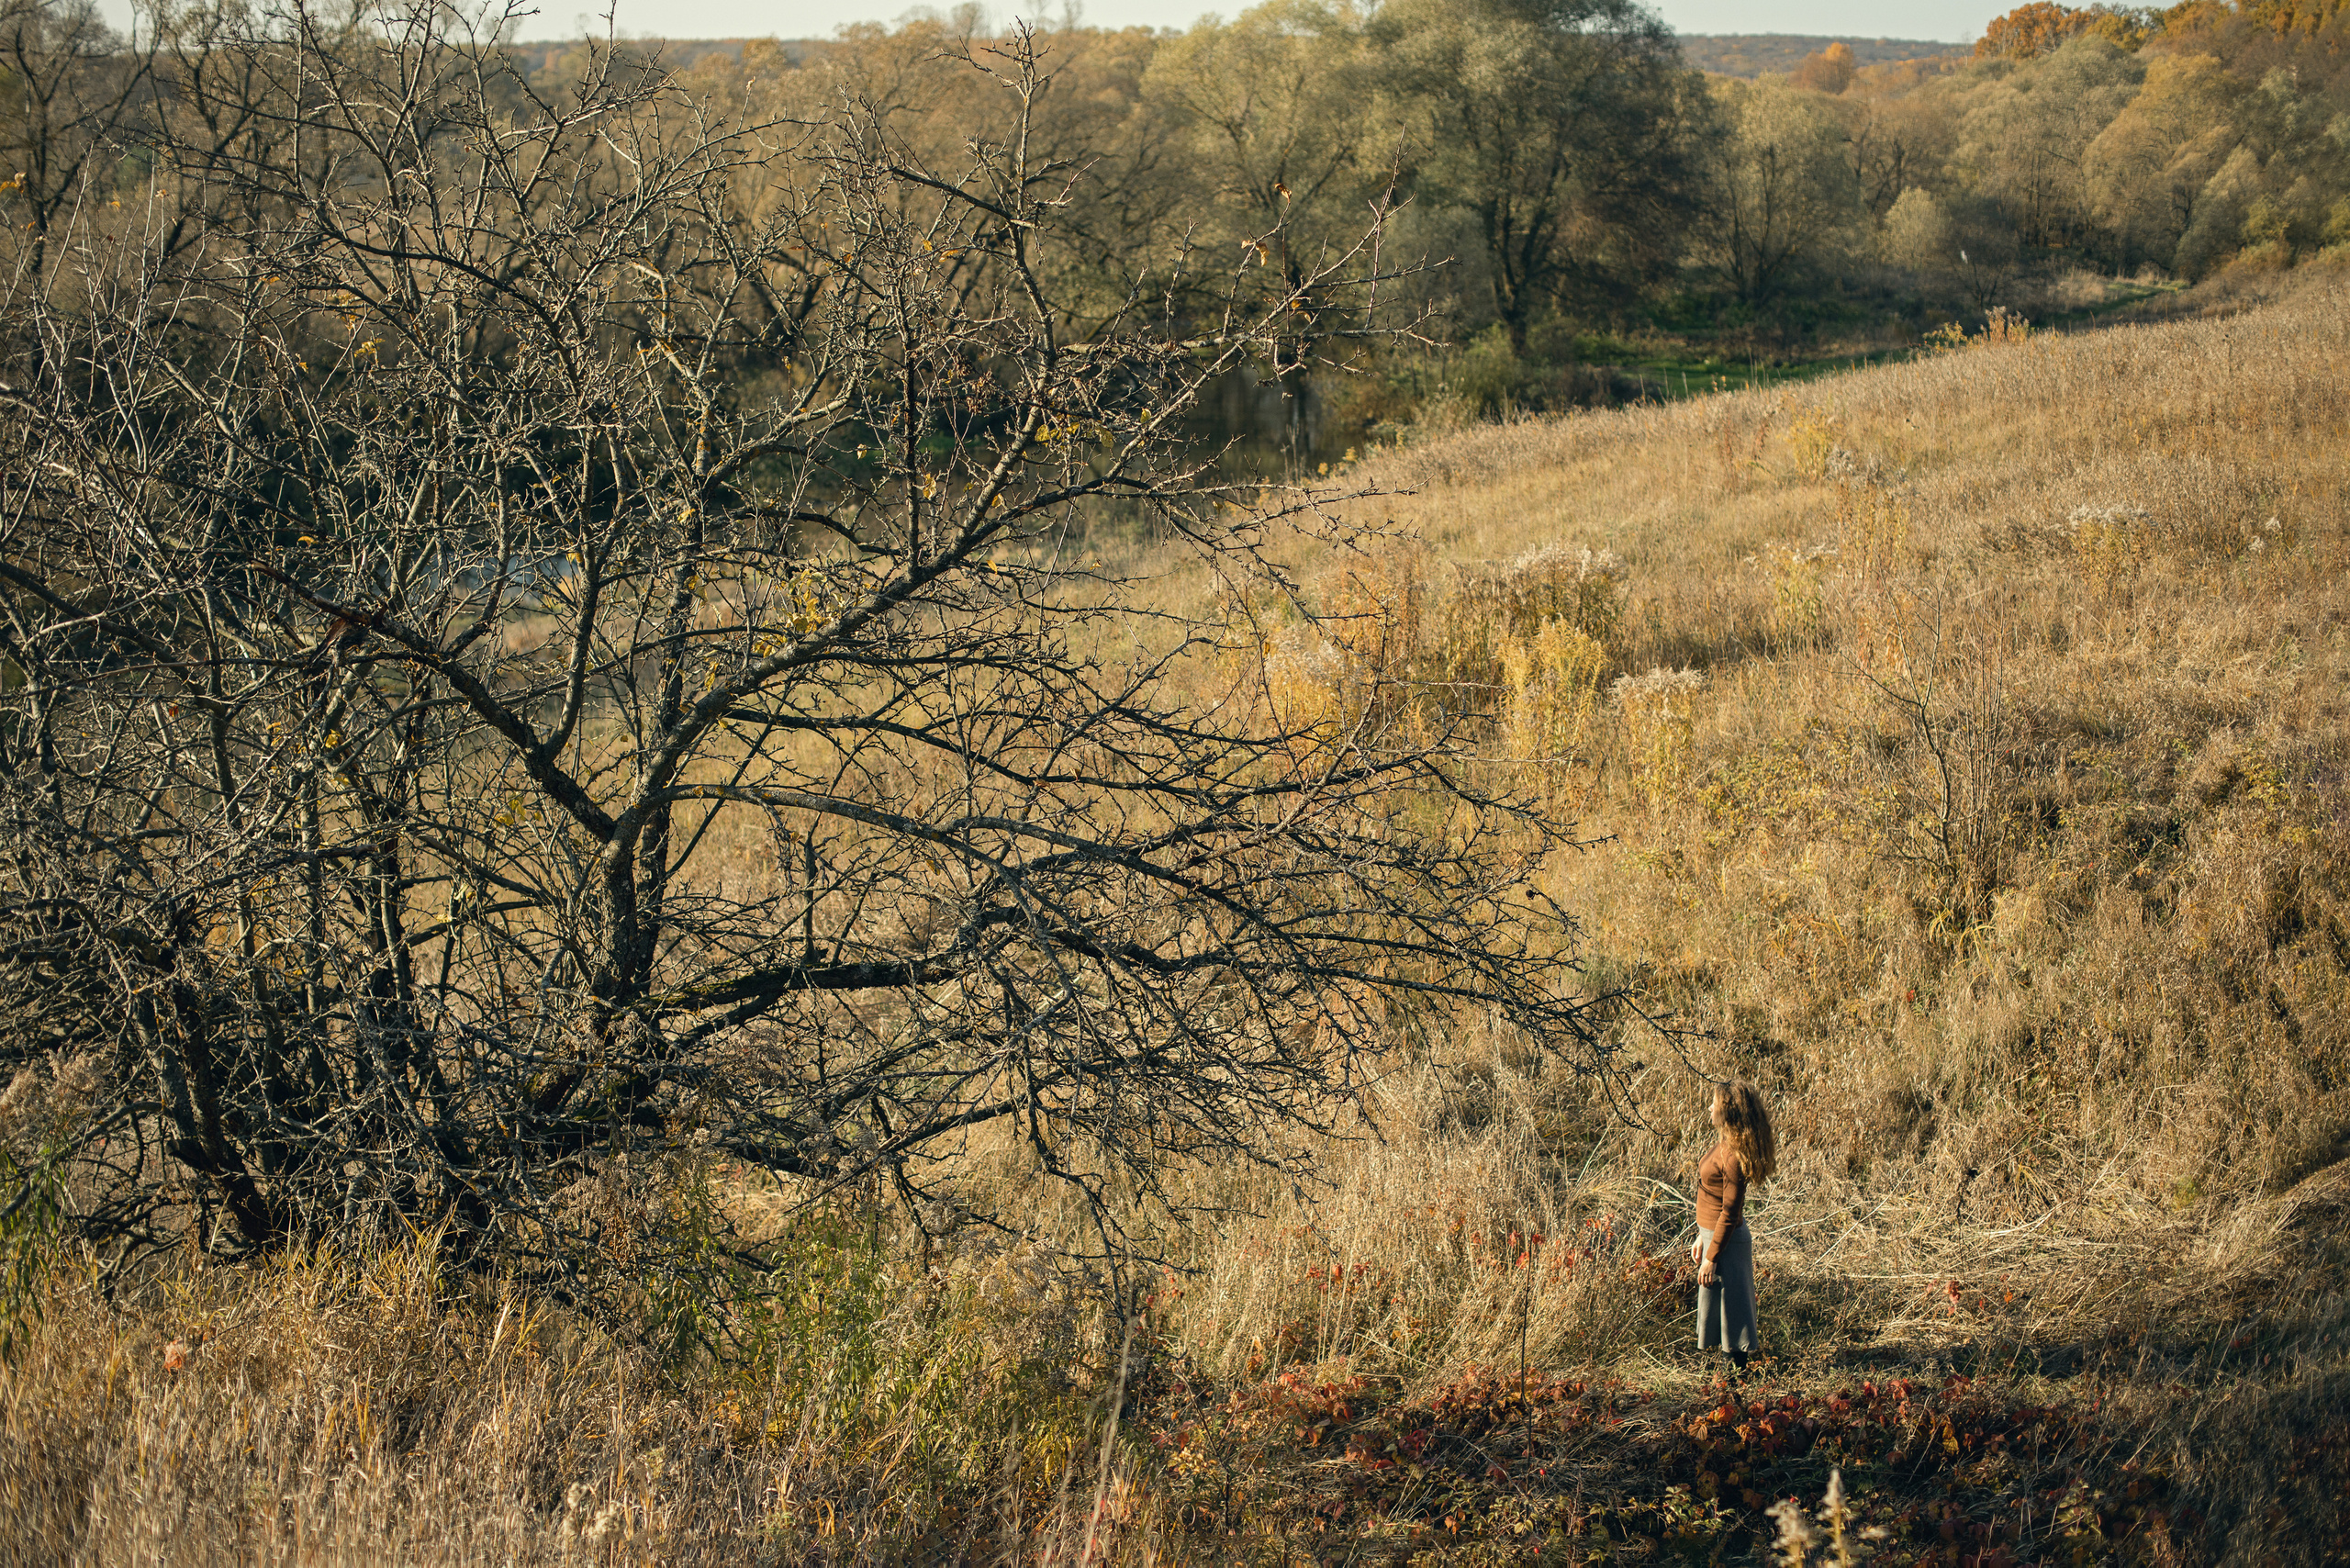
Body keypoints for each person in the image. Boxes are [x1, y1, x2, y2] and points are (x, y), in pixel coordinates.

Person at [1691, 1079, 1776, 1382]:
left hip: (1727, 1242)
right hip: (1714, 1237)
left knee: (1734, 1311)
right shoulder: (1725, 1144)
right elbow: (1713, 1198)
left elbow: (1729, 1213)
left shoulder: (1732, 1157)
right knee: (1721, 1308)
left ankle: (1738, 1382)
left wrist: (1711, 1256)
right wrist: (1701, 1237)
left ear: (1727, 1110)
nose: (1709, 1107)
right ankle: (1728, 1380)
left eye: (1714, 1103)